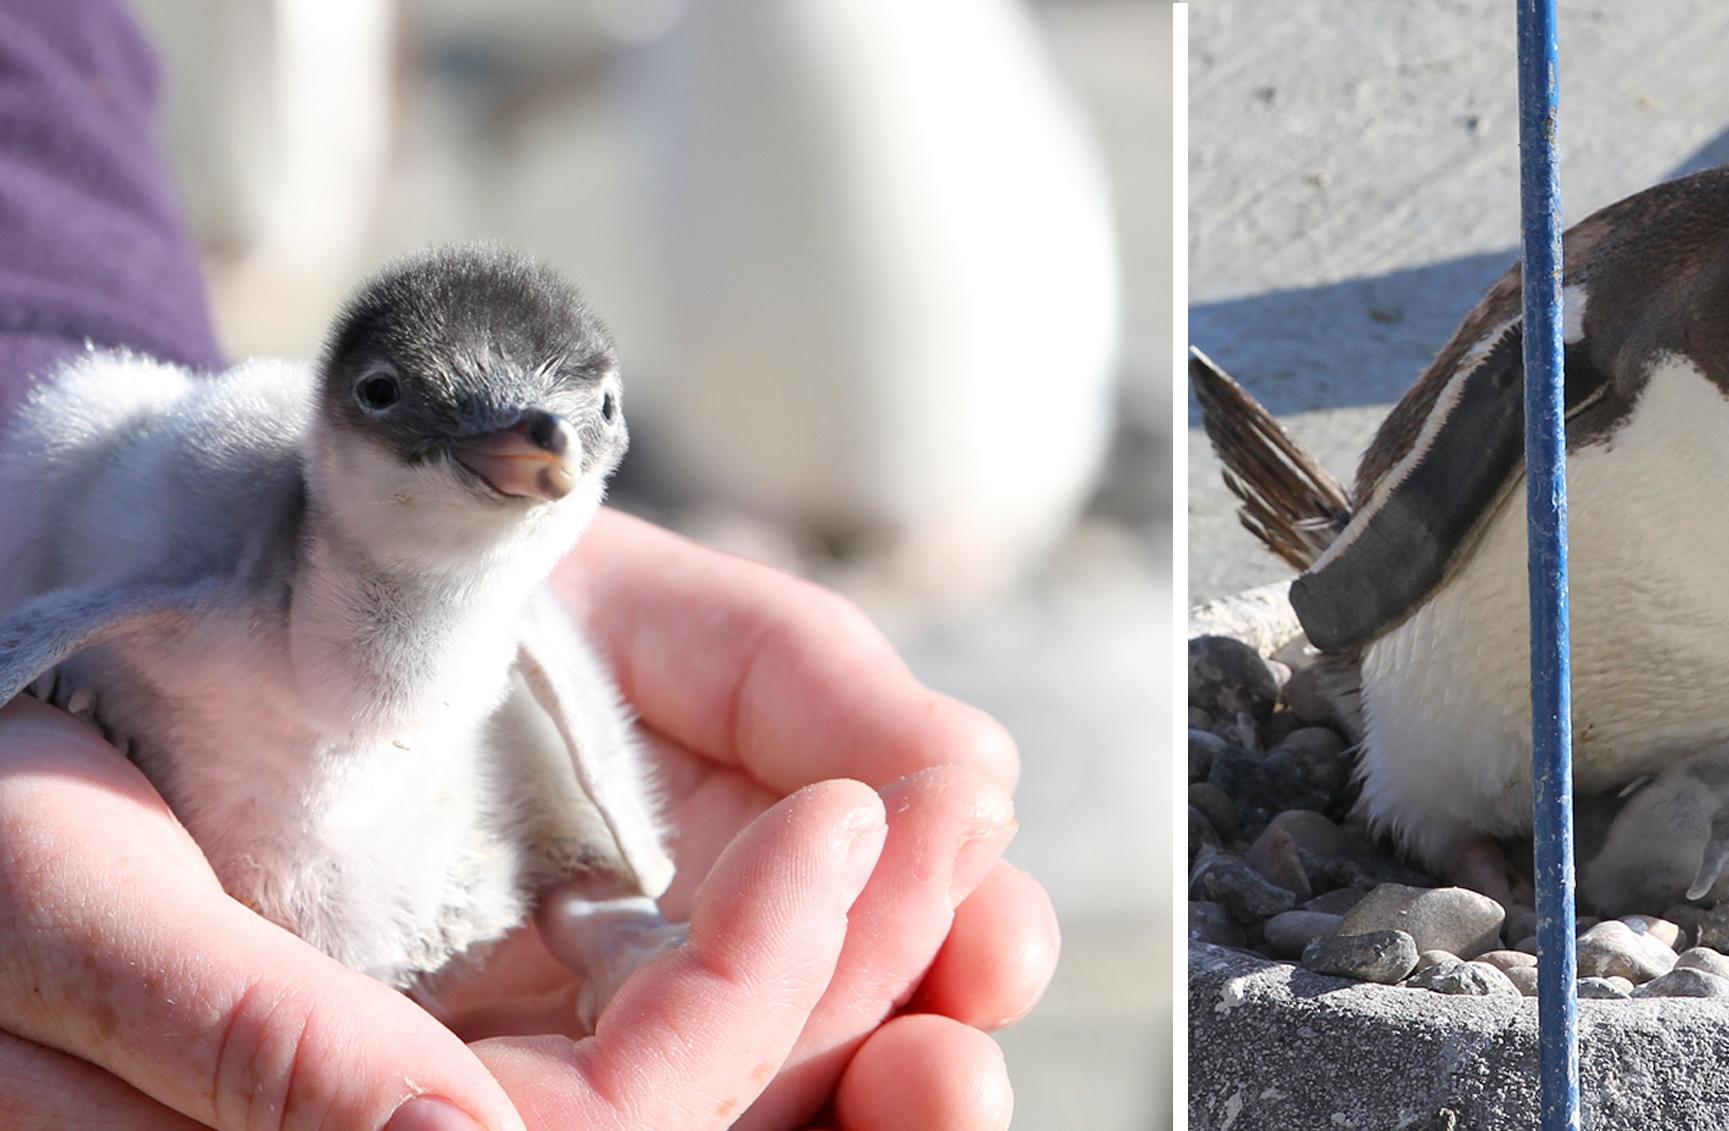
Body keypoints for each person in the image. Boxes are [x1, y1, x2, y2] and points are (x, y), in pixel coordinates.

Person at [0, 5, 1055, 1128]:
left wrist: (615, 893)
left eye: (578, 426)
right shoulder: (212, 563)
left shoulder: (481, 579)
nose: (538, 452)